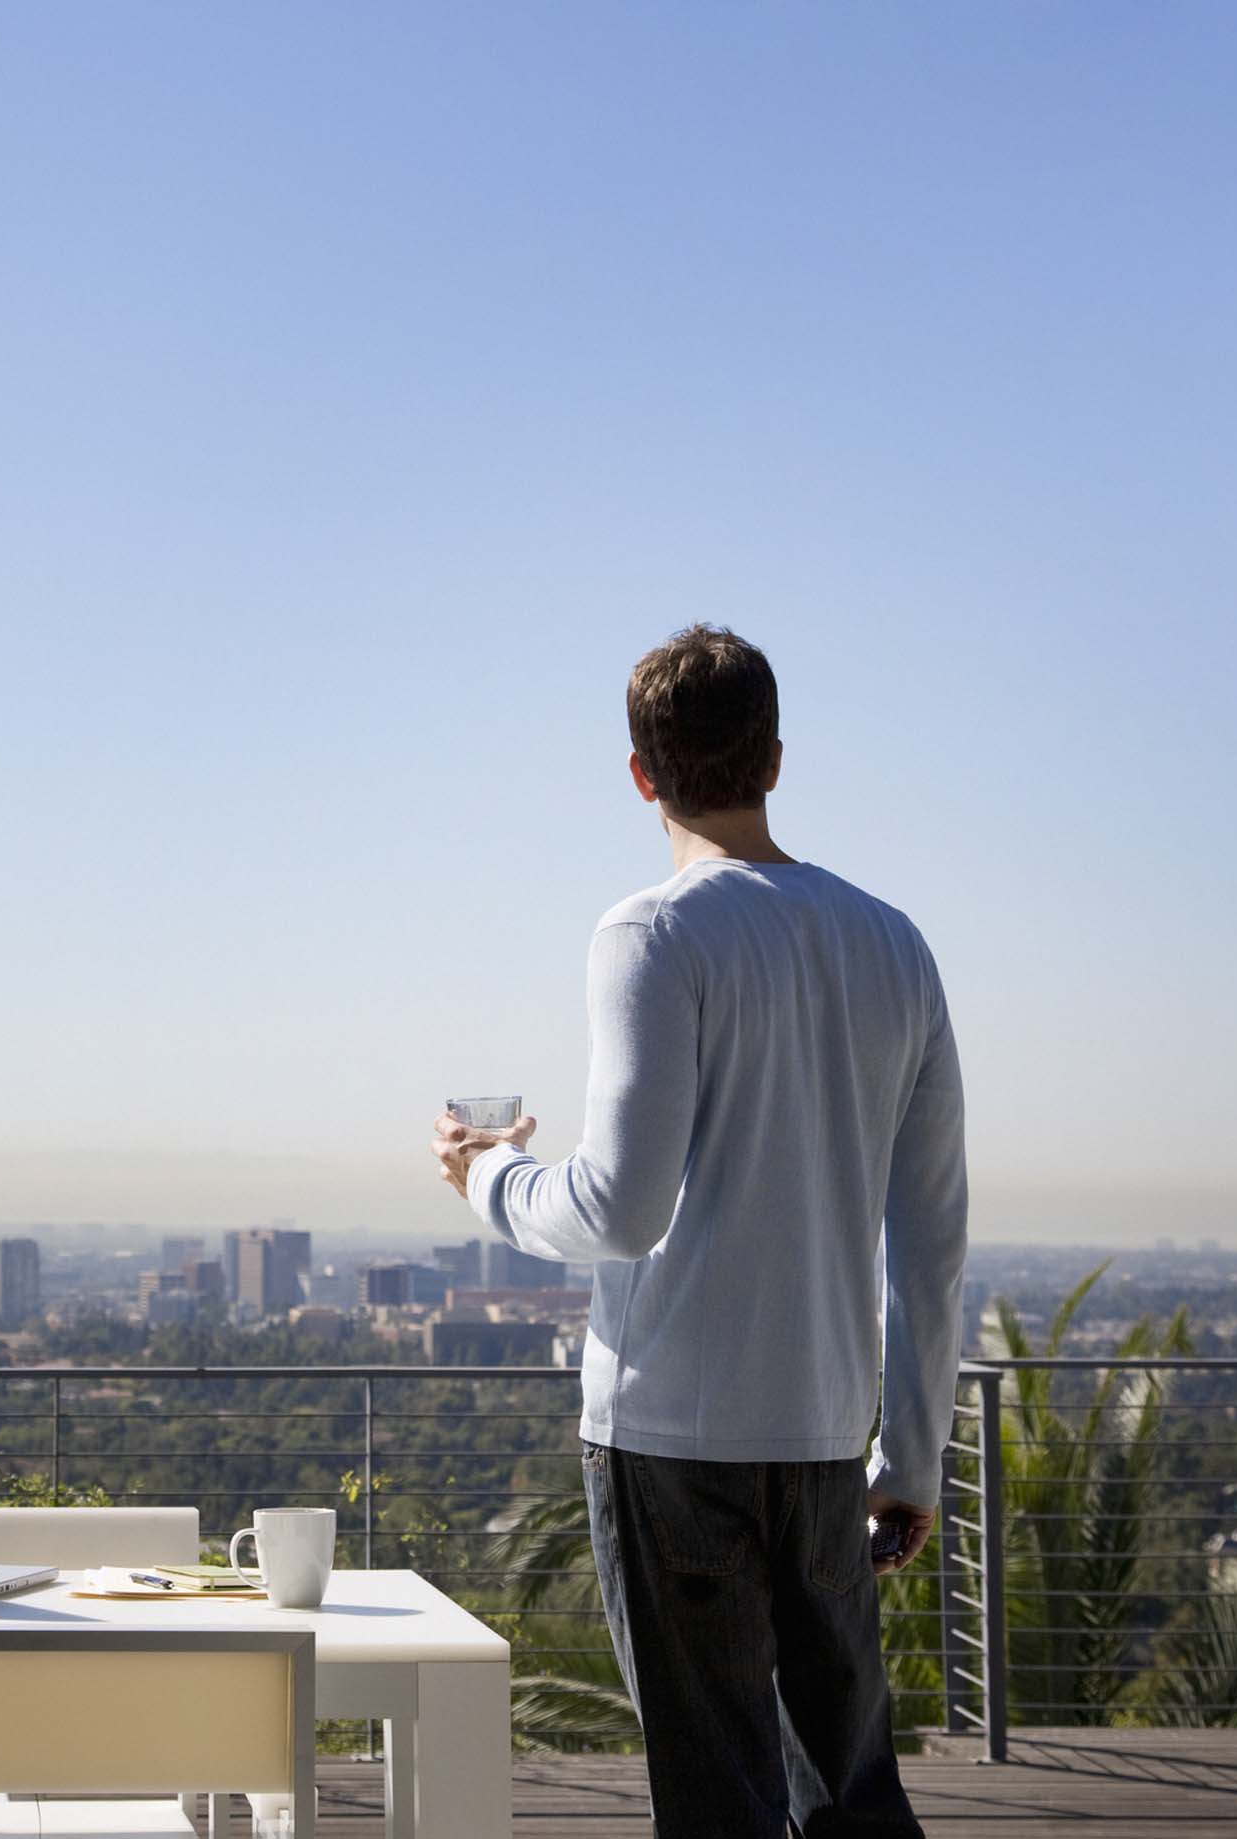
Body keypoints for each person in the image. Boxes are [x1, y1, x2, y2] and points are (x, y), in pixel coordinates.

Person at [430, 624, 966, 1838]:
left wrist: (489, 1178)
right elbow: (929, 1232)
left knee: (720, 1799)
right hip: (829, 1439)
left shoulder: (651, 935)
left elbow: (621, 1210)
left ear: (639, 773)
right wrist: (914, 1456)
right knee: (853, 1795)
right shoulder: (896, 946)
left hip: (671, 1437)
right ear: (775, 758)